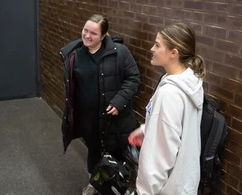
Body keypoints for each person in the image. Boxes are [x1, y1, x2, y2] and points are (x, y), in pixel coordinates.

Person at [60, 14, 140, 195]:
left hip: (113, 119)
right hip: (88, 119)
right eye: (85, 30)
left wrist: (119, 101)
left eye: (93, 34)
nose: (87, 36)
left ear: (104, 36)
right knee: (94, 152)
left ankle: (116, 188)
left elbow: (134, 78)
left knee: (115, 155)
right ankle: (95, 184)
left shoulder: (119, 52)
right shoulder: (74, 55)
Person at [128, 23, 206, 194]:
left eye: (157, 44)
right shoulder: (190, 81)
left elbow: (160, 156)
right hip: (184, 183)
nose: (151, 48)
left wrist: (142, 192)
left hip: (167, 188)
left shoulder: (170, 93)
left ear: (173, 53)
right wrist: (147, 129)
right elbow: (176, 128)